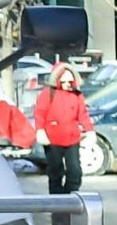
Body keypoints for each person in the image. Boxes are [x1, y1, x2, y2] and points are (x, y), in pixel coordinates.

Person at [35, 64, 95, 206]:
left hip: (72, 138)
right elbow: (40, 113)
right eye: (64, 82)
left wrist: (90, 130)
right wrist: (40, 130)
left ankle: (71, 196)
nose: (67, 85)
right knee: (55, 170)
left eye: (70, 82)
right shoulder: (48, 93)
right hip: (53, 139)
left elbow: (83, 114)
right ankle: (57, 200)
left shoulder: (77, 95)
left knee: (75, 170)